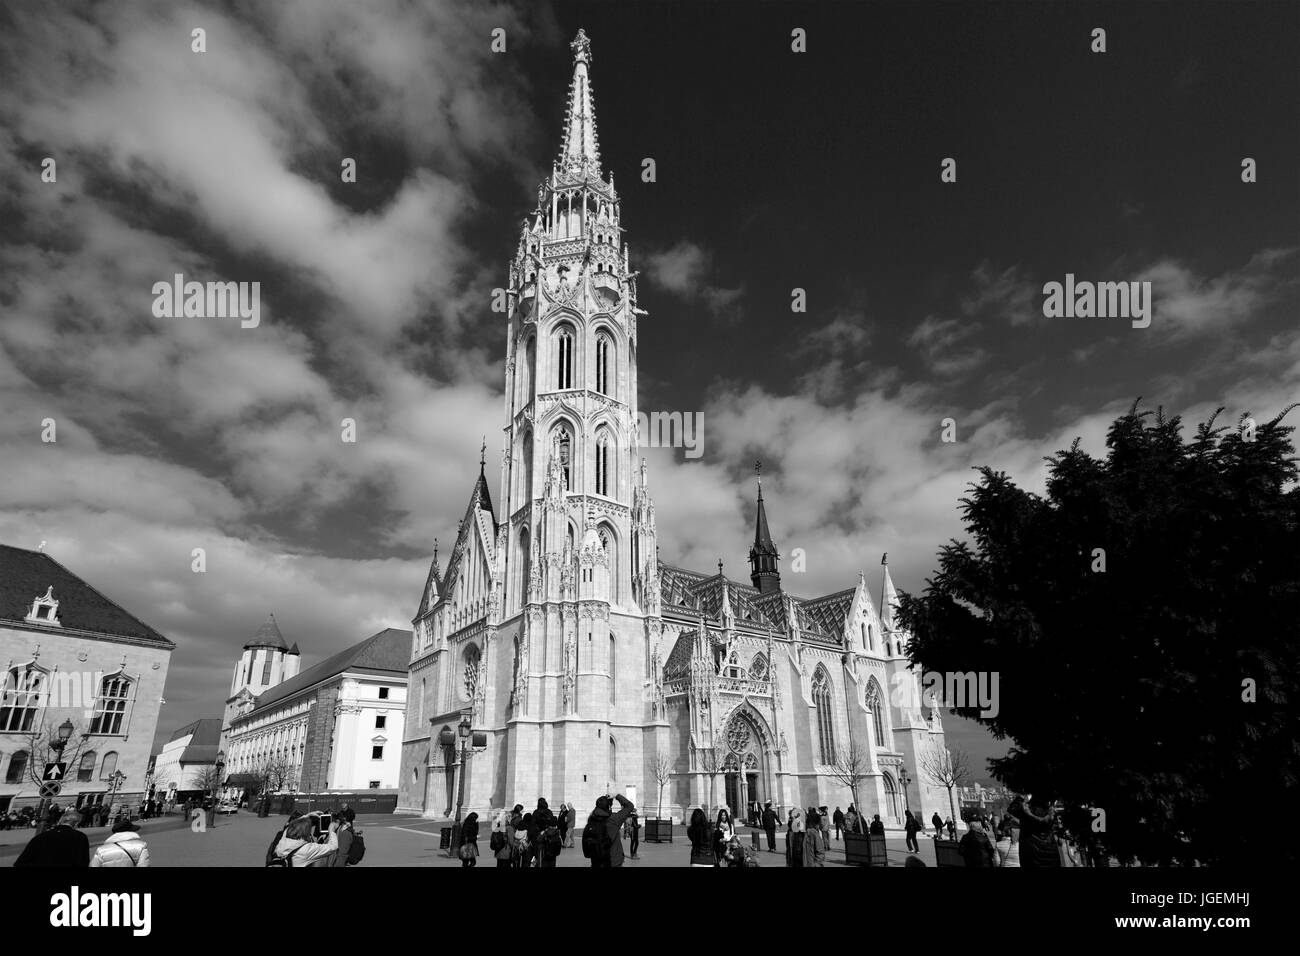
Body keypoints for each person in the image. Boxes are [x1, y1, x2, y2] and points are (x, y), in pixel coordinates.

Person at [15, 808, 90, 867]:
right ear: (76, 823)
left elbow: (21, 862)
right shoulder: (80, 837)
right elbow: (82, 862)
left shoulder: (42, 836)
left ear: (61, 821)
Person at [584, 793, 635, 868]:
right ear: (608, 807)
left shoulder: (591, 818)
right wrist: (616, 795)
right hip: (613, 860)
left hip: (596, 860)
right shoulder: (614, 819)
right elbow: (630, 806)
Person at [273, 814, 339, 867]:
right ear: (306, 831)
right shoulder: (307, 849)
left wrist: (306, 816)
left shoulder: (284, 841)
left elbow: (289, 827)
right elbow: (333, 847)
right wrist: (331, 830)